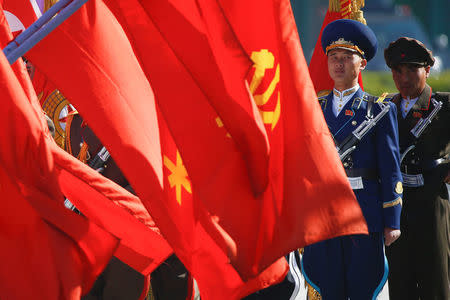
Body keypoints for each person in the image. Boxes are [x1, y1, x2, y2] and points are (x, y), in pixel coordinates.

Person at [300, 19, 403, 299]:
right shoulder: (314, 108)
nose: (339, 64)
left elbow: (390, 168)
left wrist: (392, 219)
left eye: (347, 58)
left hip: (364, 209)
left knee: (361, 284)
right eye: (334, 58)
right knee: (328, 282)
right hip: (323, 211)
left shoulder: (379, 111)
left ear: (363, 64)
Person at [384, 37, 450, 300]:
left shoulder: (444, 105)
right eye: (398, 71)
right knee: (400, 282)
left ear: (427, 70)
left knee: (436, 280)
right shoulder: (385, 106)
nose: (404, 77)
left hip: (431, 203)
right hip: (396, 207)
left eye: (412, 69)